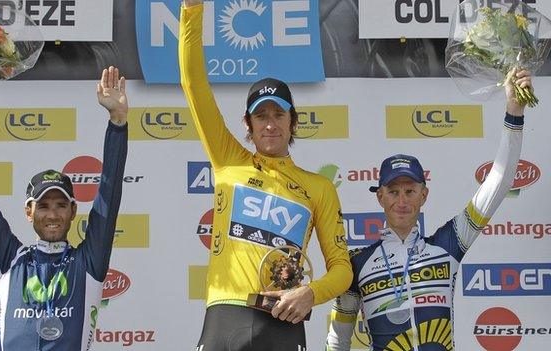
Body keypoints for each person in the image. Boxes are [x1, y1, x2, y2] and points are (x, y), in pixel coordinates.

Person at [179, 1, 352, 350]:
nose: (270, 124)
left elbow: (342, 268)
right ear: (248, 124)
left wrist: (310, 293)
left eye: (279, 114)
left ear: (293, 123)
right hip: (225, 313)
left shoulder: (318, 188)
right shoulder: (228, 159)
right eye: (261, 116)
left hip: (283, 319)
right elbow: (194, 84)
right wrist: (192, 9)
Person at [326, 69, 531, 351]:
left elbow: (500, 181)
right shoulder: (356, 263)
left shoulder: (449, 243)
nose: (402, 201)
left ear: (424, 195)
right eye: (394, 192)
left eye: (410, 191)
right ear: (380, 198)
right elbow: (339, 338)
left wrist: (514, 112)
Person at [0, 66, 128, 350]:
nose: (53, 214)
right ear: (29, 211)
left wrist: (118, 123)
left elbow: (110, 192)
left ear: (73, 211)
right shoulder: (10, 260)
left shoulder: (88, 262)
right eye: (43, 205)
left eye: (61, 205)